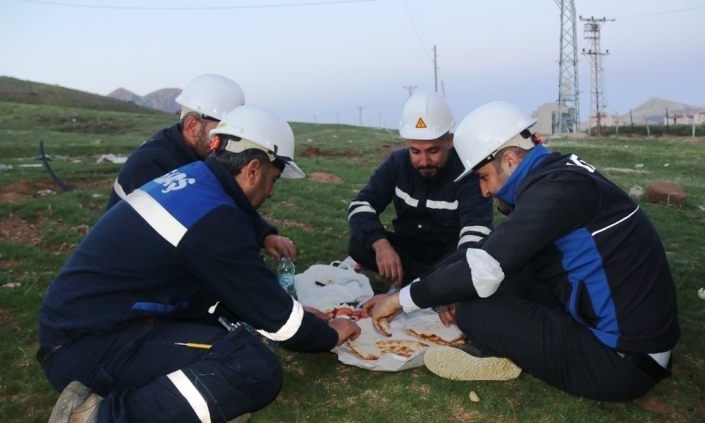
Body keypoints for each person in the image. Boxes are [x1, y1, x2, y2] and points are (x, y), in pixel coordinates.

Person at [38, 105, 361, 423]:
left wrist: (297, 314)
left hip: (92, 332)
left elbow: (230, 292)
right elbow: (276, 320)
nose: (272, 192)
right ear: (252, 170)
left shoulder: (194, 182)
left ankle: (192, 403)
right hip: (90, 349)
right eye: (274, 179)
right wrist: (328, 334)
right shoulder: (213, 216)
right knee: (254, 367)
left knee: (233, 338)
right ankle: (101, 417)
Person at [366, 101, 679, 401]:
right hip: (631, 336)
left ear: (510, 160)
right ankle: (503, 346)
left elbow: (482, 269)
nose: (485, 191)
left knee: (474, 308)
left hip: (620, 363)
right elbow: (488, 251)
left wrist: (400, 300)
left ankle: (500, 348)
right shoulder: (557, 175)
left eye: (483, 177)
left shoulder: (555, 192)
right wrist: (427, 288)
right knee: (494, 282)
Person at [106, 73, 295, 261]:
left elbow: (227, 198)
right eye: (220, 131)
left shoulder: (197, 157)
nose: (226, 139)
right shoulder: (151, 164)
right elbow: (199, 235)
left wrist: (264, 234)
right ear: (192, 125)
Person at [347, 91, 493, 287]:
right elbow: (361, 205)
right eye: (415, 151)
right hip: (409, 251)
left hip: (450, 256)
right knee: (358, 245)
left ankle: (422, 287)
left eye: (433, 151)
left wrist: (457, 271)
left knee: (475, 254)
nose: (424, 161)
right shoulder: (396, 163)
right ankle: (430, 287)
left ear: (449, 141)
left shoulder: (467, 170)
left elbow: (476, 232)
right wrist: (381, 245)